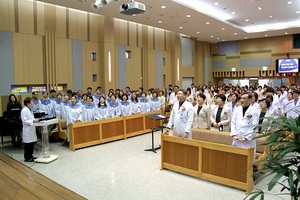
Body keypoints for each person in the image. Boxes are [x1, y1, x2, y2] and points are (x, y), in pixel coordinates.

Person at [21, 97, 39, 162]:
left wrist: (36, 120)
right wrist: (33, 121)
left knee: (32, 143)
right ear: (28, 103)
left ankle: (31, 155)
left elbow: (32, 118)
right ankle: (27, 157)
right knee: (28, 144)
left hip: (31, 129)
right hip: (27, 129)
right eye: (32, 102)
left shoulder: (30, 109)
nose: (33, 103)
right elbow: (24, 121)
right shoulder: (24, 110)